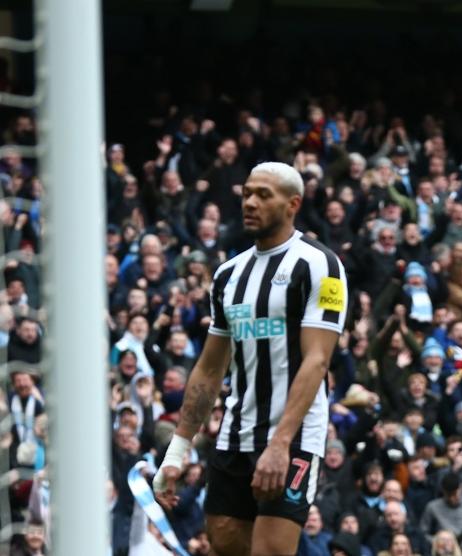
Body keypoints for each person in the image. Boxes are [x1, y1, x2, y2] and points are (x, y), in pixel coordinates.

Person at [153, 161, 349, 555]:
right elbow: (209, 369)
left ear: (293, 204)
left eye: (264, 194)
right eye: (246, 193)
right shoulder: (228, 274)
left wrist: (280, 444)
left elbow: (317, 362)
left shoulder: (320, 266)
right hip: (235, 434)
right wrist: (177, 451)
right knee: (223, 542)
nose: (250, 202)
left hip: (292, 438)